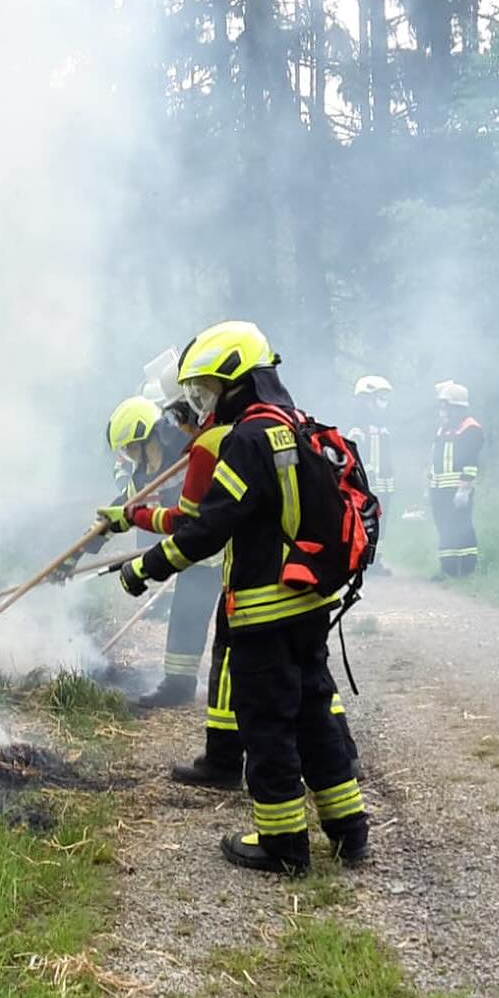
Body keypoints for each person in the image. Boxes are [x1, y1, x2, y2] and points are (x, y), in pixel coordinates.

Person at [116, 321, 367, 875]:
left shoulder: (247, 440)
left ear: (240, 381)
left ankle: (282, 845)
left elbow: (208, 526)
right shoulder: (291, 426)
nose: (203, 406)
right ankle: (349, 831)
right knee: (313, 715)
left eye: (208, 391)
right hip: (307, 605)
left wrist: (144, 568)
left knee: (266, 723)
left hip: (264, 608)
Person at [96, 390, 226, 710]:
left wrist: (134, 520)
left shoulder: (185, 450)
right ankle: (179, 684)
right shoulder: (147, 471)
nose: (129, 456)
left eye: (130, 447)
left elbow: (184, 518)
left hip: (221, 546)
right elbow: (122, 508)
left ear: (145, 437)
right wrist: (79, 553)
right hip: (198, 547)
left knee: (234, 624)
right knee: (186, 613)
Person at [428, 382, 484, 577]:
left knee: (462, 527)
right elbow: (436, 460)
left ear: (459, 408)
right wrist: (429, 486)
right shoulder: (443, 429)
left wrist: (464, 489)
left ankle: (467, 569)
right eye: (442, 407)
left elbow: (470, 460)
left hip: (457, 489)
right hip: (439, 490)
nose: (443, 412)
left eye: (447, 407)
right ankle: (448, 570)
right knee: (444, 528)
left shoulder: (471, 429)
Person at [349, 375, 394, 570]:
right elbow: (356, 458)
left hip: (384, 486)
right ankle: (364, 561)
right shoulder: (357, 429)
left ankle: (377, 560)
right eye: (378, 397)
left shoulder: (383, 427)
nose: (382, 404)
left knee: (381, 526)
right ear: (366, 400)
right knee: (366, 523)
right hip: (365, 487)